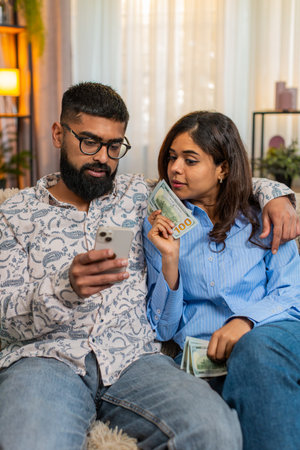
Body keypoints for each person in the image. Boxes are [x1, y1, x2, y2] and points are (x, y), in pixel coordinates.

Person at [0, 84, 297, 450]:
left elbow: (221, 179)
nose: (102, 159)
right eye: (89, 142)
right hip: (47, 360)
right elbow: (5, 321)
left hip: (134, 360)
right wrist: (65, 288)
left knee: (216, 431)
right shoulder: (14, 213)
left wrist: (279, 197)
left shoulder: (142, 196)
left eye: (114, 146)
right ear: (59, 134)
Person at [143, 110, 300, 450]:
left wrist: (245, 321)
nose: (175, 169)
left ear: (223, 168)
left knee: (254, 350)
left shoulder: (264, 215)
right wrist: (169, 260)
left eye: (190, 160)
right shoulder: (159, 225)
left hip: (271, 336)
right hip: (202, 359)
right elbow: (164, 329)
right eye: (172, 157)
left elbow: (293, 297)